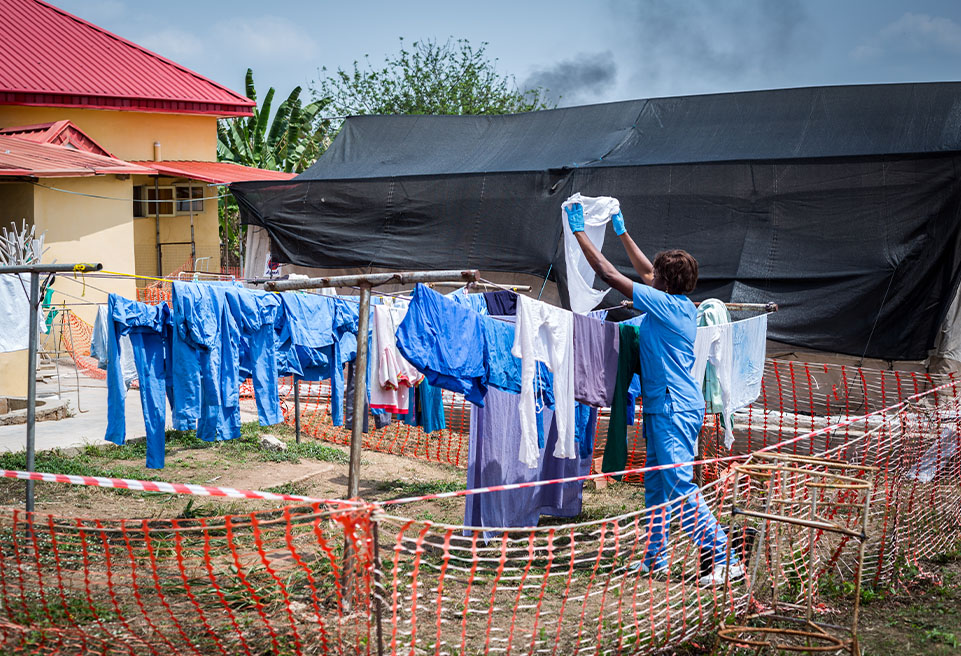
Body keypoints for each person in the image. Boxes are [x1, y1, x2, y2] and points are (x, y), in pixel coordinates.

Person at [565, 202, 743, 587]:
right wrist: (621, 231)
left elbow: (608, 273)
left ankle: (726, 558)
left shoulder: (666, 306)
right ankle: (654, 559)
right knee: (657, 489)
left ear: (665, 283)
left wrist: (578, 230)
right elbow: (647, 271)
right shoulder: (678, 303)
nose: (650, 277)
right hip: (665, 407)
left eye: (656, 276)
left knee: (678, 487)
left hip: (674, 409)